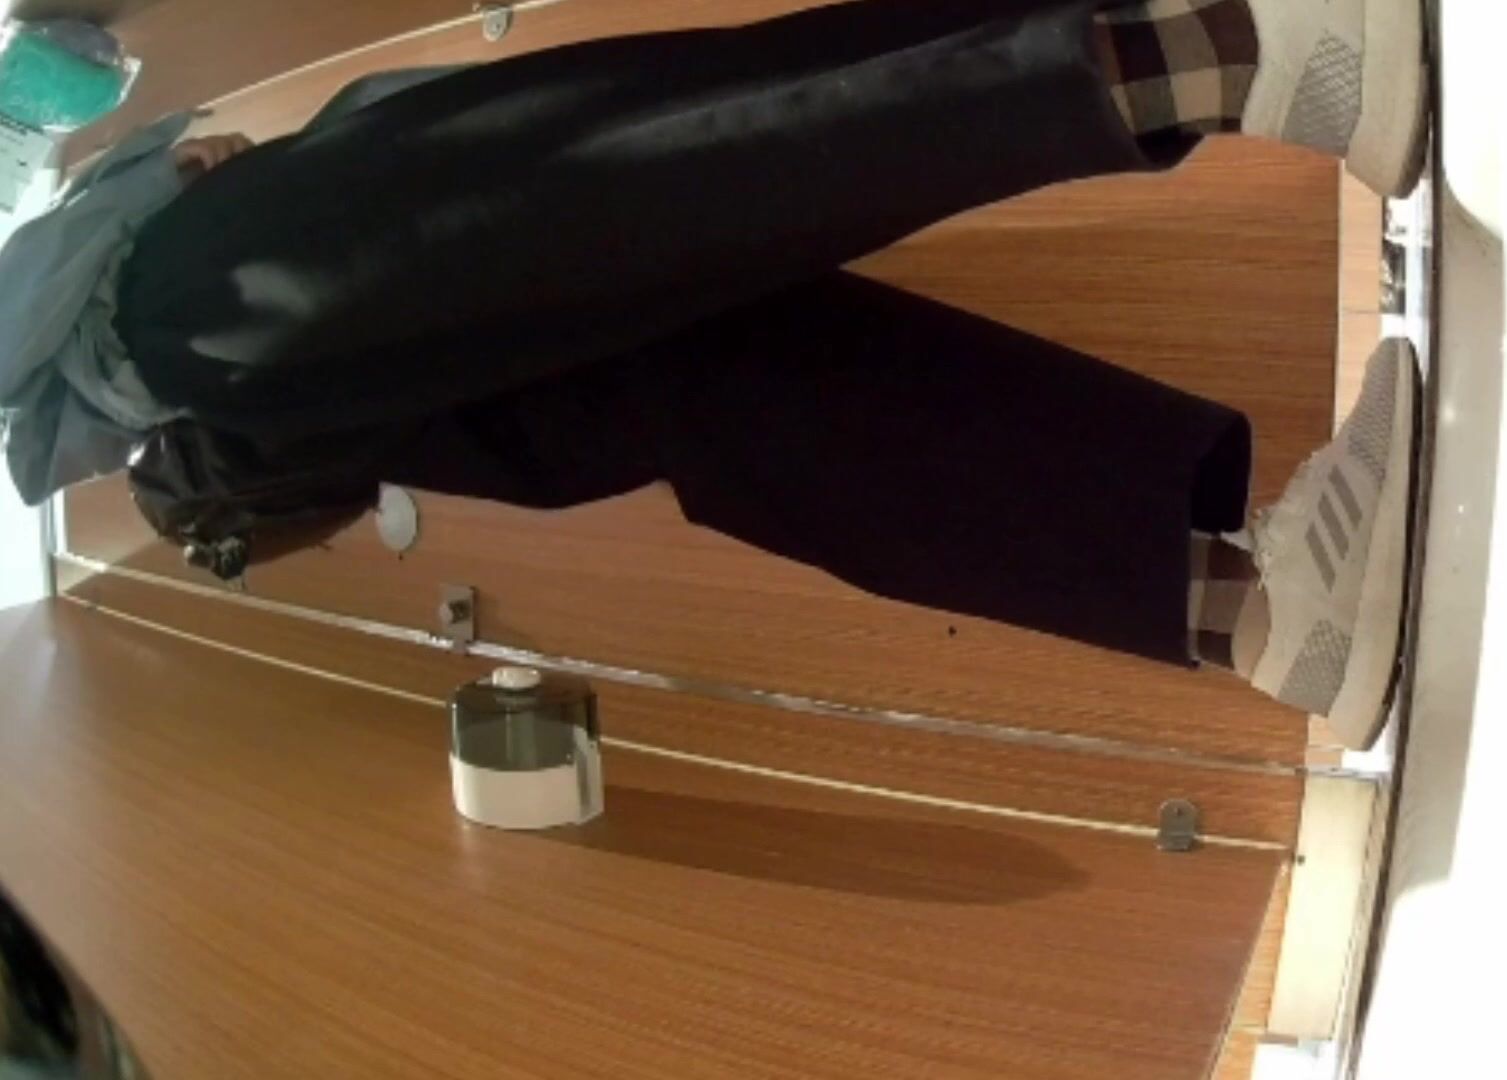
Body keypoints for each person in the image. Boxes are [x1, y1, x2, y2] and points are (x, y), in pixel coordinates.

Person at [0, 0, 1427, 749]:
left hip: (165, 379)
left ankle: (1260, 610)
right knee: (642, 168)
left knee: (719, 391)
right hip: (157, 313)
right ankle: (1238, 51)